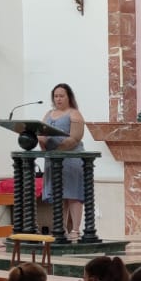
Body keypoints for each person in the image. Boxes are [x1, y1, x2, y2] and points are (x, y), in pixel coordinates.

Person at [41, 83, 88, 238]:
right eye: (56, 96)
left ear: (69, 97)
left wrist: (57, 150)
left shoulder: (74, 114)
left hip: (71, 159)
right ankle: (60, 229)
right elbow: (41, 134)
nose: (58, 99)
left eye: (62, 96)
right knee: (58, 195)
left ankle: (75, 229)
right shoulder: (48, 114)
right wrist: (40, 140)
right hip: (53, 160)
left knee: (73, 194)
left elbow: (74, 138)